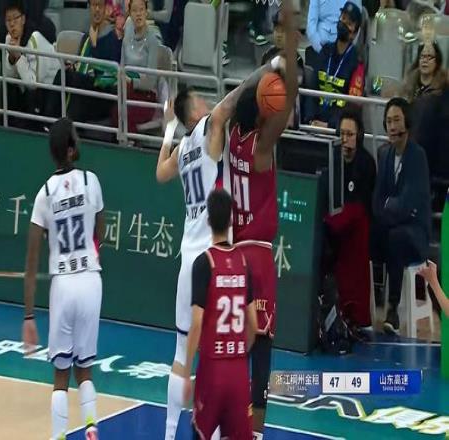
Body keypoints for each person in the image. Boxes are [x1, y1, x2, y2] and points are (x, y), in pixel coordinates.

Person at [155, 30, 290, 437]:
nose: (204, 101)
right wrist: (269, 68)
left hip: (186, 256)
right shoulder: (211, 128)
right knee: (220, 354)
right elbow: (232, 102)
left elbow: (159, 173)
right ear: (194, 111)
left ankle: (169, 432)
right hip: (214, 255)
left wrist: (168, 129)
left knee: (182, 352)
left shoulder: (183, 149)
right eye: (198, 100)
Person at [228, 3, 298, 438]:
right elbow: (286, 106)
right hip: (256, 255)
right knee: (263, 348)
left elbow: (239, 97)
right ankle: (254, 432)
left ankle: (230, 421)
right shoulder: (261, 147)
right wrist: (287, 53)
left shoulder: (232, 138)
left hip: (233, 254)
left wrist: (261, 77)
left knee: (237, 342)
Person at [22, 118, 105, 440]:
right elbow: (100, 232)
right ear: (70, 150)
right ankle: (91, 426)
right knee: (85, 369)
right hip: (90, 280)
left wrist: (29, 315)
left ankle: (59, 436)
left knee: (61, 375)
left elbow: (32, 261)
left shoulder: (44, 194)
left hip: (64, 285)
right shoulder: (91, 181)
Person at [182, 189, 258, 439]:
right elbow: (253, 325)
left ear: (207, 221)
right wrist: (239, 351)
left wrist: (186, 373)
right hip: (238, 371)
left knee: (200, 433)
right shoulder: (244, 263)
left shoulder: (204, 263)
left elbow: (196, 323)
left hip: (212, 370)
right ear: (231, 221)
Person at [371, 97, 431, 334]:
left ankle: (393, 309)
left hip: (416, 232)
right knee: (370, 232)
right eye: (388, 121)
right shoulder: (384, 154)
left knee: (395, 238)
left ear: (407, 123)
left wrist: (389, 207)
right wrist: (389, 208)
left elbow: (408, 203)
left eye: (396, 120)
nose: (392, 126)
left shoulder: (418, 156)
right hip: (392, 225)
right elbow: (378, 199)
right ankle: (363, 303)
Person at [324, 105, 376, 330]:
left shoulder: (366, 163)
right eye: (342, 134)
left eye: (350, 134)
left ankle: (356, 315)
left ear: (359, 135)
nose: (345, 140)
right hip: (335, 221)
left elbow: (362, 205)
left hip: (358, 225)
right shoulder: (332, 159)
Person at [306, 1, 364, 129]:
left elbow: (353, 105)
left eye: (349, 23)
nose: (343, 23)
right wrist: (310, 120)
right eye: (343, 18)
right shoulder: (325, 51)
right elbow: (312, 90)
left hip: (338, 130)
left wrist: (329, 125)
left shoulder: (357, 63)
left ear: (354, 33)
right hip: (313, 126)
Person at [3, 0, 60, 129]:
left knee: (30, 95)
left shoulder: (35, 38)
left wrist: (18, 57)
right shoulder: (9, 38)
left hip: (50, 90)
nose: (12, 24)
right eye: (8, 20)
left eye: (15, 19)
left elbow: (34, 84)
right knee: (9, 88)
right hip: (28, 88)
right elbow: (9, 76)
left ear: (23, 19)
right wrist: (11, 58)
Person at [122, 0, 163, 134]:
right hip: (126, 91)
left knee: (123, 113)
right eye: (134, 10)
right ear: (130, 14)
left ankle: (131, 142)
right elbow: (122, 67)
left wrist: (132, 82)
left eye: (141, 10)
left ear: (146, 12)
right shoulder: (127, 37)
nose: (138, 14)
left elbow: (151, 81)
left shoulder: (152, 40)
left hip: (146, 96)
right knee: (114, 109)